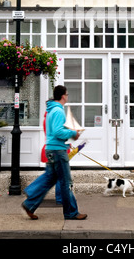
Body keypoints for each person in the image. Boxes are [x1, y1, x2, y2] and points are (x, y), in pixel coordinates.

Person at [22, 85, 87, 220]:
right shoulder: (58, 111)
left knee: (50, 178)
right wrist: (73, 133)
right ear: (63, 96)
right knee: (65, 182)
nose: (67, 96)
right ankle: (71, 213)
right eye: (67, 94)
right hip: (58, 151)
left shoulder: (52, 110)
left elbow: (53, 132)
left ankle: (30, 202)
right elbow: (58, 131)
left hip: (52, 149)